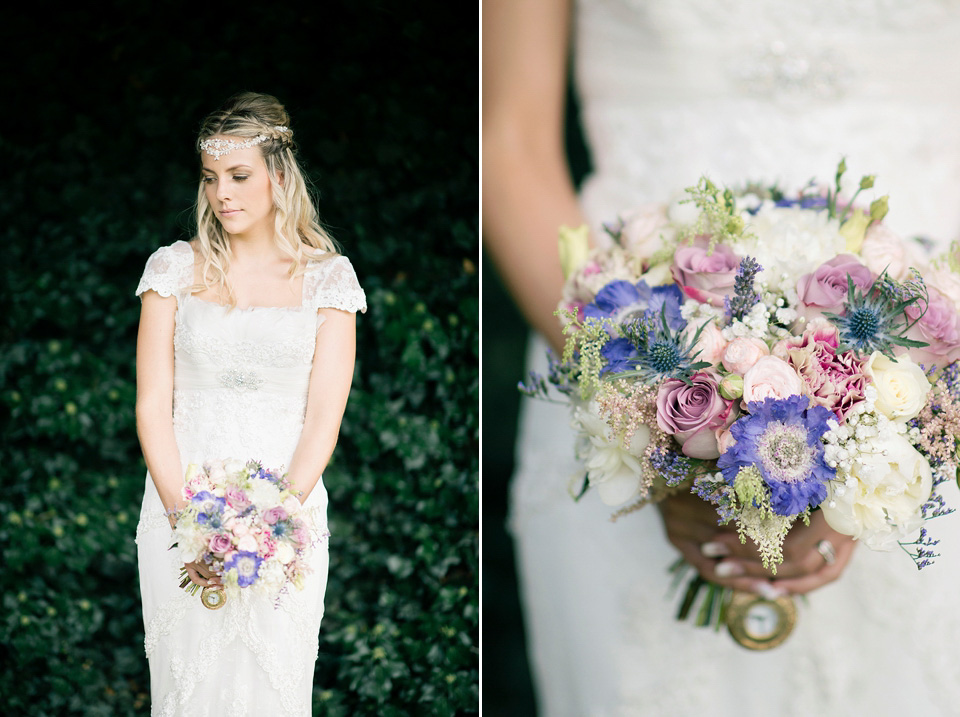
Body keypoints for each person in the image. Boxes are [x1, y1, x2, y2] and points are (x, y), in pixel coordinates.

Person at [484, 1, 960, 715]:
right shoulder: (630, 391)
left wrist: (904, 421)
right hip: (619, 330)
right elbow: (509, 138)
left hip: (926, 358)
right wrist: (650, 422)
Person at [134, 92, 366, 715]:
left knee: (274, 688)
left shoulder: (329, 280)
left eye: (239, 176)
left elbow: (324, 418)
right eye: (211, 179)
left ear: (279, 176)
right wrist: (191, 526)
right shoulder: (172, 270)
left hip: (286, 516)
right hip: (176, 505)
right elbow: (153, 407)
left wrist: (270, 523)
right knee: (186, 687)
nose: (222, 194)